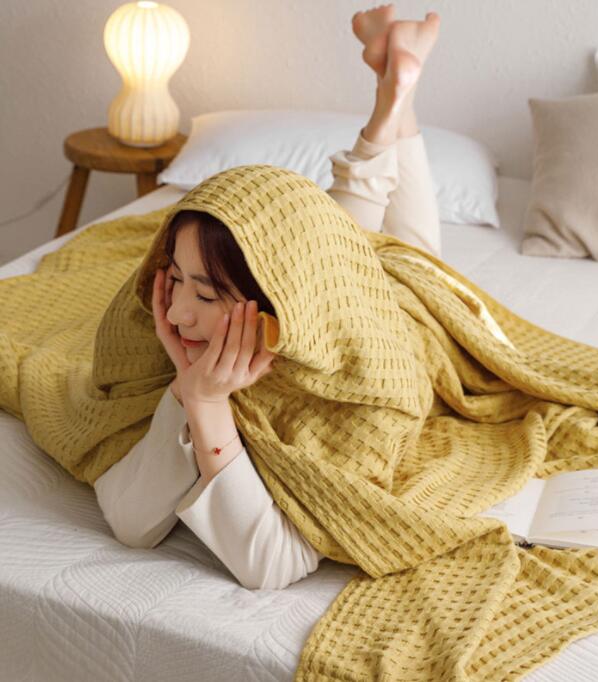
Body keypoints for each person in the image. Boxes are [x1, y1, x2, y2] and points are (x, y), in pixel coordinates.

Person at [94, 4, 443, 590]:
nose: (174, 314)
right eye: (174, 278)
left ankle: (395, 100)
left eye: (207, 294)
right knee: (331, 230)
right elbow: (131, 522)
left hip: (392, 312)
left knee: (417, 256)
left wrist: (206, 404)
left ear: (281, 305)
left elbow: (269, 564)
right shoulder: (186, 328)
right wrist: (188, 390)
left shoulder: (363, 401)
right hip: (312, 265)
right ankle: (394, 92)